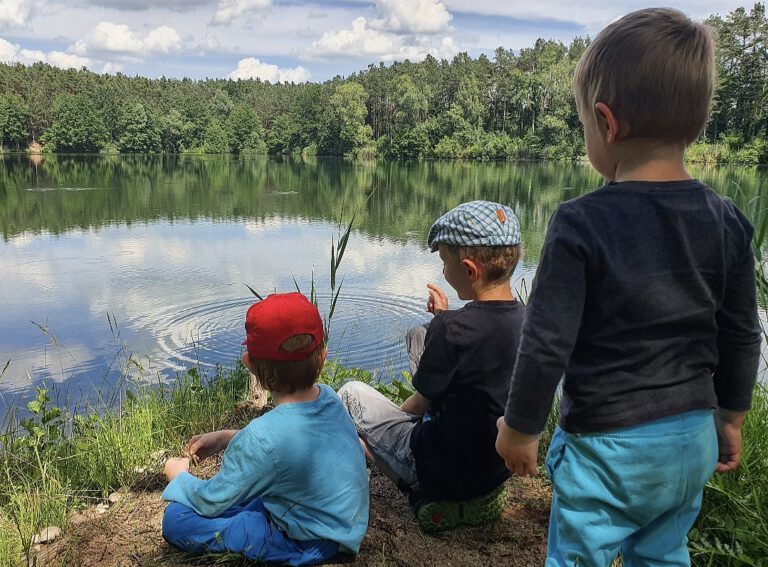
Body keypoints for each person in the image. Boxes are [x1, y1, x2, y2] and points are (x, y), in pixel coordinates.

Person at [495, 8, 762, 566]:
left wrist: (520, 428)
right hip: (691, 438)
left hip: (605, 448)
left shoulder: (579, 223)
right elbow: (742, 335)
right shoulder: (730, 220)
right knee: (664, 552)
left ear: (606, 123)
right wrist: (731, 417)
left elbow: (545, 342)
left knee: (579, 555)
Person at [339, 200, 525, 532]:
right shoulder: (528, 320)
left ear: (469, 270)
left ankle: (415, 487)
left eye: (443, 262)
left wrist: (390, 421)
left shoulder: (452, 329)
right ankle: (475, 496)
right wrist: (443, 317)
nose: (442, 271)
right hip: (492, 467)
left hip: (441, 469)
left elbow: (417, 405)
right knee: (417, 335)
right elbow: (479, 343)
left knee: (350, 392)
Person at [161, 292, 369, 566]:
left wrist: (179, 477)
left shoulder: (262, 438)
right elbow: (286, 444)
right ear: (323, 357)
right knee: (255, 493)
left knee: (177, 520)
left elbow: (210, 501)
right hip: (344, 524)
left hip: (307, 541)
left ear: (250, 366)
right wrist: (227, 438)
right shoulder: (329, 396)